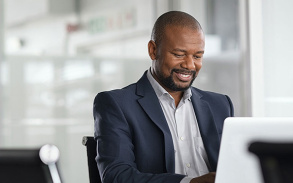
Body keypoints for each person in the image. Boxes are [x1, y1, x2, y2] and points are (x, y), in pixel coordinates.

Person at [93, 11, 234, 183]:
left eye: (197, 56)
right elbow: (116, 176)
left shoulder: (220, 105)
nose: (190, 65)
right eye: (179, 54)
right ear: (153, 50)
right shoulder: (117, 104)